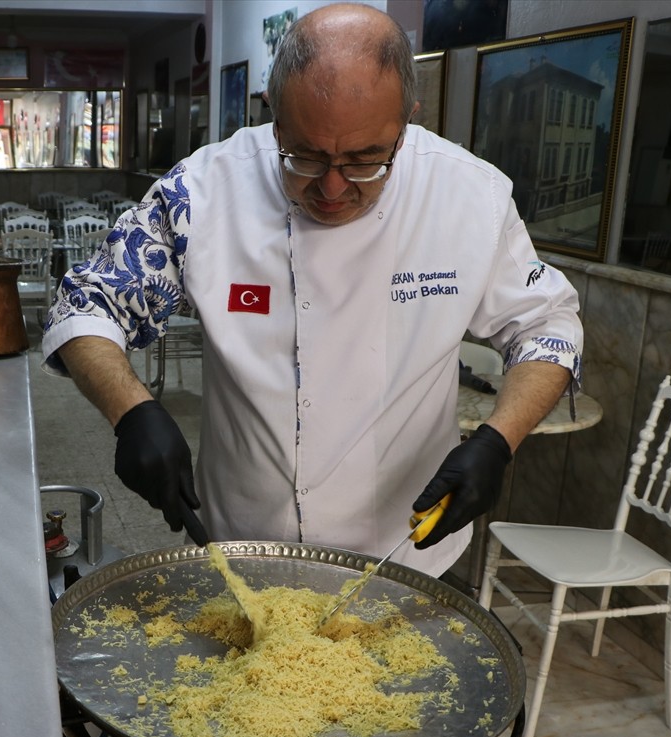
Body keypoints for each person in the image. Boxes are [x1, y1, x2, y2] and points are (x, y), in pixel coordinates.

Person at [40, 2, 583, 581]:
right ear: (273, 117)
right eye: (305, 155)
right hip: (247, 545)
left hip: (407, 547)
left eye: (365, 159)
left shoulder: (471, 198)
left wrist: (500, 442)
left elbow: (547, 326)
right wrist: (131, 412)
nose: (331, 186)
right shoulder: (202, 191)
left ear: (407, 121)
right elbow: (87, 303)